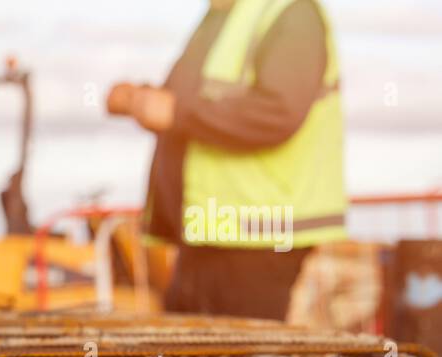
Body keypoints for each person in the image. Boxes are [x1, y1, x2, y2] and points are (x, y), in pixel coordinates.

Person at [108, 0, 347, 320]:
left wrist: (175, 112)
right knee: (188, 356)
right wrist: (142, 98)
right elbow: (196, 97)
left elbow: (279, 112)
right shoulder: (224, 15)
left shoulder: (292, 12)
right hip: (209, 231)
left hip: (257, 239)